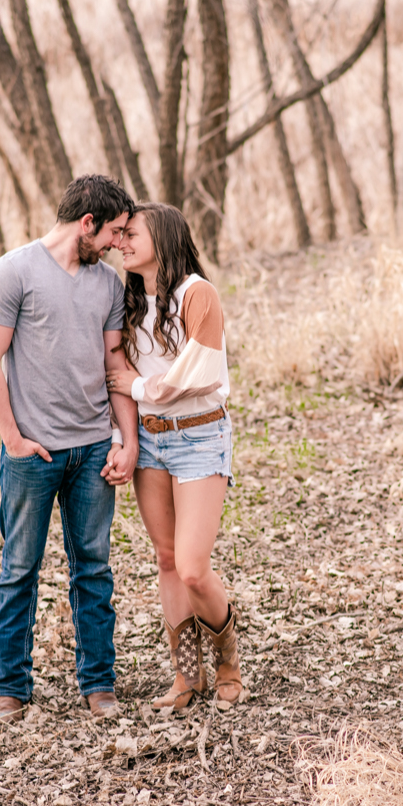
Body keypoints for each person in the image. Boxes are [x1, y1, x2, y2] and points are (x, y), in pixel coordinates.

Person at [0, 173, 138, 724]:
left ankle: (99, 684)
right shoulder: (11, 272)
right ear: (87, 223)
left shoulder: (108, 284)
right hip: (33, 455)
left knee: (93, 569)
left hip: (92, 452)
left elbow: (115, 365)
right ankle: (11, 690)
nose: (118, 242)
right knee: (19, 569)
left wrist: (126, 440)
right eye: (113, 231)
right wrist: (13, 440)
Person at [104, 202, 246, 711]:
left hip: (199, 437)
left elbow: (198, 374)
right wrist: (124, 433)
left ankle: (227, 661)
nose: (121, 243)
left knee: (191, 567)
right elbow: (114, 375)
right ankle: (187, 677)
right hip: (150, 440)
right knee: (166, 559)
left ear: (162, 239)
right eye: (119, 235)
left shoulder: (197, 294)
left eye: (131, 234)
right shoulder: (127, 301)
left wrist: (139, 386)